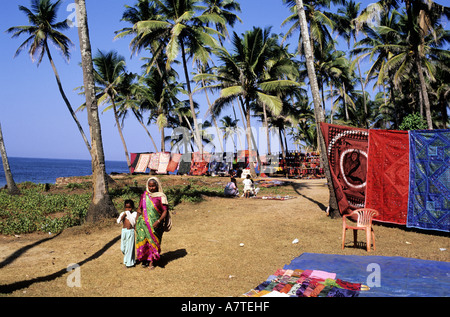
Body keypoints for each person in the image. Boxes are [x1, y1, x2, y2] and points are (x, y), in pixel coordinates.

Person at [135, 177, 168, 269]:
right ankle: (144, 260)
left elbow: (165, 211)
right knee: (144, 241)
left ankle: (151, 262)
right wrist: (136, 221)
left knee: (153, 242)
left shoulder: (161, 196)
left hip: (155, 225)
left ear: (157, 186)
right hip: (143, 223)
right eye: (150, 186)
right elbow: (140, 209)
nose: (151, 188)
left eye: (153, 186)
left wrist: (159, 221)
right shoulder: (144, 195)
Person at [117, 199, 138, 268]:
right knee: (123, 247)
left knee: (130, 247)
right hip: (124, 231)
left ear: (132, 207)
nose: (128, 209)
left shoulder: (134, 214)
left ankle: (129, 264)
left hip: (130, 231)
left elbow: (134, 222)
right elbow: (119, 220)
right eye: (126, 207)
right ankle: (129, 260)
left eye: (129, 207)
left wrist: (136, 230)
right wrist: (124, 214)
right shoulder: (123, 213)